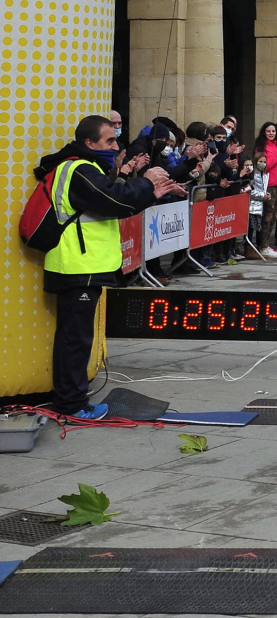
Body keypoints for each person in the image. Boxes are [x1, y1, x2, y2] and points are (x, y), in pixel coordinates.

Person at [40, 115, 186, 419]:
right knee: (75, 340)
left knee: (77, 337)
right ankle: (71, 405)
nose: (116, 144)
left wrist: (151, 192)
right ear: (89, 143)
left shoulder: (87, 167)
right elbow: (113, 198)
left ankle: (72, 400)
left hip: (84, 265)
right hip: (76, 267)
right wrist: (146, 182)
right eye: (109, 140)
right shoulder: (78, 169)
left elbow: (118, 203)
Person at [254, 121, 277, 258]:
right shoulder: (261, 147)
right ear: (264, 132)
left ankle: (266, 244)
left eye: (273, 131)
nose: (271, 133)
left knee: (274, 216)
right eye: (268, 131)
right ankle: (262, 245)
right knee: (267, 216)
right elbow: (266, 165)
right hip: (268, 184)